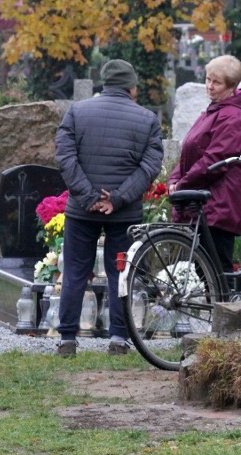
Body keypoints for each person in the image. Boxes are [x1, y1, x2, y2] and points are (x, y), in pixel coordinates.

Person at [54, 59, 164, 358]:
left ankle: (67, 338)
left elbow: (65, 157)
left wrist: (88, 196)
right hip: (124, 214)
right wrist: (117, 198)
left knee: (76, 270)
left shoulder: (77, 112)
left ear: (103, 83)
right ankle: (118, 337)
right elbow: (150, 165)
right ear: (132, 87)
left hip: (81, 209)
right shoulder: (147, 119)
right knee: (121, 274)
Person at [167, 54, 241, 274]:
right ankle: (211, 308)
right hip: (205, 199)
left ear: (232, 86)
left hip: (219, 203)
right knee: (204, 270)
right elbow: (191, 151)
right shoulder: (214, 110)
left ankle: (220, 309)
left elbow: (215, 160)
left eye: (217, 82)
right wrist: (176, 179)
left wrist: (183, 183)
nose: (210, 86)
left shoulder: (233, 117)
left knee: (216, 271)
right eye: (208, 80)